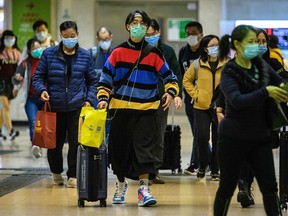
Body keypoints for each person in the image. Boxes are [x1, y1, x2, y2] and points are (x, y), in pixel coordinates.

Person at [97, 9, 179, 207]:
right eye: (134, 23)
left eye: (142, 23)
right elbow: (104, 80)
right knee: (119, 150)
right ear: (127, 26)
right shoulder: (117, 53)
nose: (138, 27)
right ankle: (120, 185)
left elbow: (171, 78)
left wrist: (170, 92)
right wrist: (102, 98)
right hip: (120, 110)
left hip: (147, 110)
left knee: (145, 150)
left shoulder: (155, 53)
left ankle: (144, 189)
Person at [213, 24, 287, 215]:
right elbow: (237, 101)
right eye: (251, 41)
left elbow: (281, 83)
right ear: (237, 44)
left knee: (270, 188)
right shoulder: (229, 71)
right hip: (232, 138)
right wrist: (266, 92)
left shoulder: (262, 66)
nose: (256, 45)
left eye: (257, 41)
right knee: (226, 188)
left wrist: (283, 89)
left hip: (260, 136)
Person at [33, 21, 97, 188]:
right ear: (60, 36)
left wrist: (90, 99)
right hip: (55, 106)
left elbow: (93, 81)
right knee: (54, 143)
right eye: (66, 36)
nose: (70, 39)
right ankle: (56, 172)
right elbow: (38, 76)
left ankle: (73, 175)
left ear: (77, 35)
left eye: (73, 36)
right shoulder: (49, 54)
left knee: (76, 143)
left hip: (77, 106)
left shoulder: (85, 55)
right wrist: (41, 91)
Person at [183, 34, 228, 180]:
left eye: (218, 45)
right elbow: (186, 80)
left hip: (220, 108)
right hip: (201, 106)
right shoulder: (197, 64)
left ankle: (216, 169)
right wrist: (196, 95)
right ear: (205, 49)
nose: (216, 48)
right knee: (201, 137)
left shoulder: (227, 63)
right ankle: (203, 165)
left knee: (218, 139)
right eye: (212, 46)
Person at [145, 18, 182, 185]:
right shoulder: (139, 50)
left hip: (161, 100)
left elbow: (176, 73)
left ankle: (155, 170)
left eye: (152, 34)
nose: (149, 37)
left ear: (158, 33)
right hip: (142, 100)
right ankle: (143, 169)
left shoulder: (167, 51)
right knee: (143, 135)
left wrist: (174, 93)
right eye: (147, 35)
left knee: (158, 135)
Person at [178, 21, 204, 175]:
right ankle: (208, 157)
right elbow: (182, 75)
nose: (190, 36)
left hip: (204, 97)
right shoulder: (183, 52)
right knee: (197, 132)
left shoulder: (206, 52)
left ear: (201, 35)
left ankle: (195, 163)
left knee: (199, 130)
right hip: (189, 97)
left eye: (193, 33)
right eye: (188, 34)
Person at [12, 38, 44, 158]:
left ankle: (46, 143)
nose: (37, 50)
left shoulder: (46, 61)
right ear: (29, 51)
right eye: (33, 48)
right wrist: (17, 78)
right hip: (31, 99)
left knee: (45, 123)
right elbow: (15, 79)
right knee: (33, 122)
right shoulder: (25, 63)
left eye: (38, 47)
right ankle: (35, 145)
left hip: (45, 98)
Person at [0, 30, 22, 141]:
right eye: (6, 38)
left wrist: (18, 86)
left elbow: (20, 70)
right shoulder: (0, 52)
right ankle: (11, 131)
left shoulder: (17, 53)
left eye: (11, 37)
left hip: (12, 83)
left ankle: (0, 131)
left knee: (4, 108)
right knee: (6, 107)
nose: (9, 40)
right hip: (1, 83)